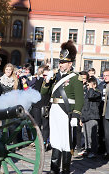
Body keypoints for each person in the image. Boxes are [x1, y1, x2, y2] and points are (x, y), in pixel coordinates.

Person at [41, 40, 84, 174]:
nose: (60, 64)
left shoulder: (75, 78)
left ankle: (65, 170)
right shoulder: (55, 76)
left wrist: (76, 115)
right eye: (60, 62)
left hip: (67, 112)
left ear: (70, 63)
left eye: (63, 62)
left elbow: (80, 99)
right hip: (54, 111)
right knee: (55, 141)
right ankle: (54, 170)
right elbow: (43, 93)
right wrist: (47, 81)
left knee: (66, 143)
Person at [81, 77, 101, 158]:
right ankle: (88, 149)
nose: (88, 86)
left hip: (93, 116)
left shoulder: (97, 93)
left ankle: (93, 151)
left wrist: (91, 88)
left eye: (89, 85)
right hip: (86, 116)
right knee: (86, 135)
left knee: (92, 135)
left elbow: (91, 96)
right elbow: (84, 105)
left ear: (94, 85)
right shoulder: (87, 92)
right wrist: (81, 117)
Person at [99, 69, 109, 159]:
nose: (105, 77)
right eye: (104, 75)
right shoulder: (102, 85)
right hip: (104, 112)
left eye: (107, 75)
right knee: (106, 134)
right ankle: (107, 151)